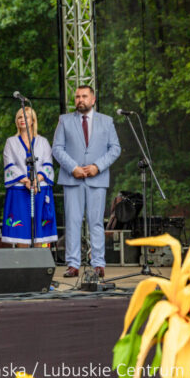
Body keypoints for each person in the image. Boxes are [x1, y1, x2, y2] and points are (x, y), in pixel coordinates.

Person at [52, 85, 120, 278]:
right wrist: (73, 167)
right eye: (77, 97)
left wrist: (98, 166)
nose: (80, 100)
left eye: (84, 96)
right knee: (72, 222)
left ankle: (98, 264)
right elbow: (57, 148)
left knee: (96, 222)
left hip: (97, 178)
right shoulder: (64, 120)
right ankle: (73, 264)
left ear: (93, 99)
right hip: (72, 178)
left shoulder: (107, 121)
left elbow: (115, 148)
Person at [2, 107, 57, 247]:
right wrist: (26, 181)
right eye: (19, 117)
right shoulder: (11, 142)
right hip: (19, 190)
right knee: (20, 233)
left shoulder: (43, 141)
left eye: (26, 117)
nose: (22, 120)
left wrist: (36, 180)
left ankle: (40, 260)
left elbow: (48, 164)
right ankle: (22, 260)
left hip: (40, 189)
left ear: (33, 120)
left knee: (40, 233)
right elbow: (9, 164)